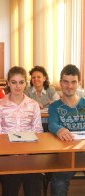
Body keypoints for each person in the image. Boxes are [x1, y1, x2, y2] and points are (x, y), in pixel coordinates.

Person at [0, 66, 43, 196]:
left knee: (34, 189)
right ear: (8, 83)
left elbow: (38, 131)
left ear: (26, 83)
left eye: (21, 82)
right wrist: (10, 150)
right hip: (8, 156)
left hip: (30, 155)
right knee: (9, 190)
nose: (17, 86)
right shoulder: (0, 105)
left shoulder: (33, 105)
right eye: (14, 82)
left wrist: (27, 150)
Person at [48, 64, 85, 196]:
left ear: (78, 83)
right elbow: (51, 123)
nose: (69, 86)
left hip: (83, 150)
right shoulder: (54, 107)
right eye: (66, 82)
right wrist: (59, 129)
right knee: (58, 182)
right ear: (60, 83)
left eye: (73, 82)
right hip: (65, 152)